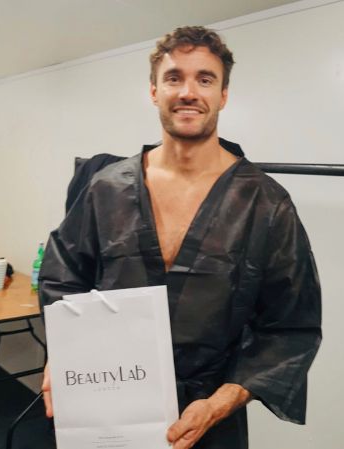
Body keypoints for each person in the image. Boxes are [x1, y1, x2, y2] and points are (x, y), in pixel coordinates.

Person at [39, 26, 322, 449]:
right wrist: (65, 355)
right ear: (154, 91)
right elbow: (62, 278)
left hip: (210, 411)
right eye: (174, 78)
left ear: (223, 95)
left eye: (205, 79)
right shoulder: (107, 187)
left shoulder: (265, 202)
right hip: (110, 401)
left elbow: (291, 326)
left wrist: (222, 402)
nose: (188, 92)